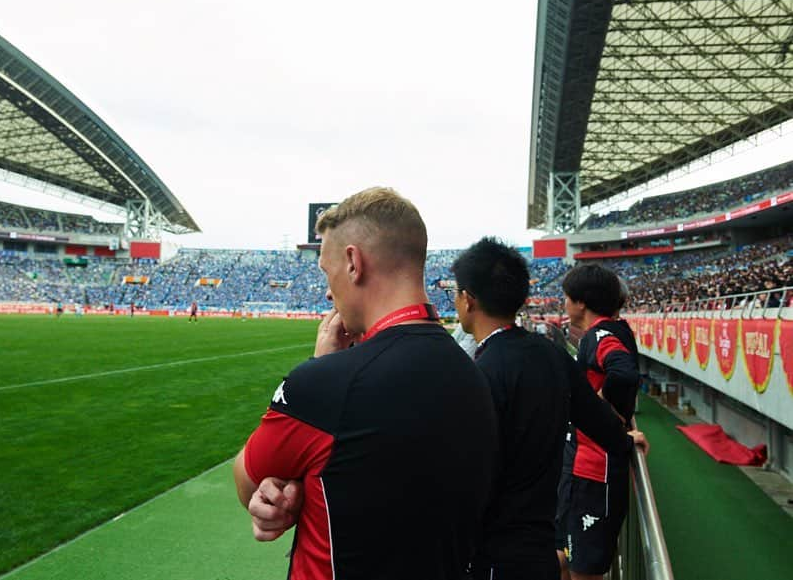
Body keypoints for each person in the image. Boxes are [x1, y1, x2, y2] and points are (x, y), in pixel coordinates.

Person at [233, 187, 498, 579]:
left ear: (354, 262)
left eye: (327, 270)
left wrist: (320, 365)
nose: (327, 290)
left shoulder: (327, 385)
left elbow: (247, 479)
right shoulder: (474, 374)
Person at [450, 239, 646, 580]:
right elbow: (602, 424)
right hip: (539, 548)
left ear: (468, 299)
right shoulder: (549, 354)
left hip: (494, 554)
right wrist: (628, 441)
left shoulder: (479, 373)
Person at [556, 264, 642, 580]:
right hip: (581, 466)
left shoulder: (601, 334)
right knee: (563, 557)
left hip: (596, 471)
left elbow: (623, 373)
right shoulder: (611, 330)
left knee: (584, 571)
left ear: (581, 302)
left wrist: (601, 407)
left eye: (566, 297)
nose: (563, 304)